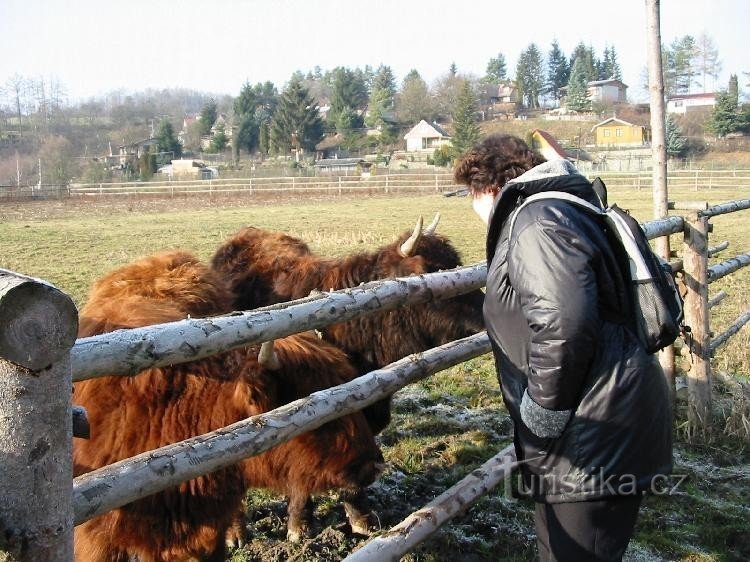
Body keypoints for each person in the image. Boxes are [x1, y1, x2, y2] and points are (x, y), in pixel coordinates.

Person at [454, 134, 673, 562]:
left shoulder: (538, 221)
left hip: (589, 431)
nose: (473, 205)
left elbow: (564, 326)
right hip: (596, 419)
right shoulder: (563, 208)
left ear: (488, 186)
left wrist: (543, 410)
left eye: (471, 193)